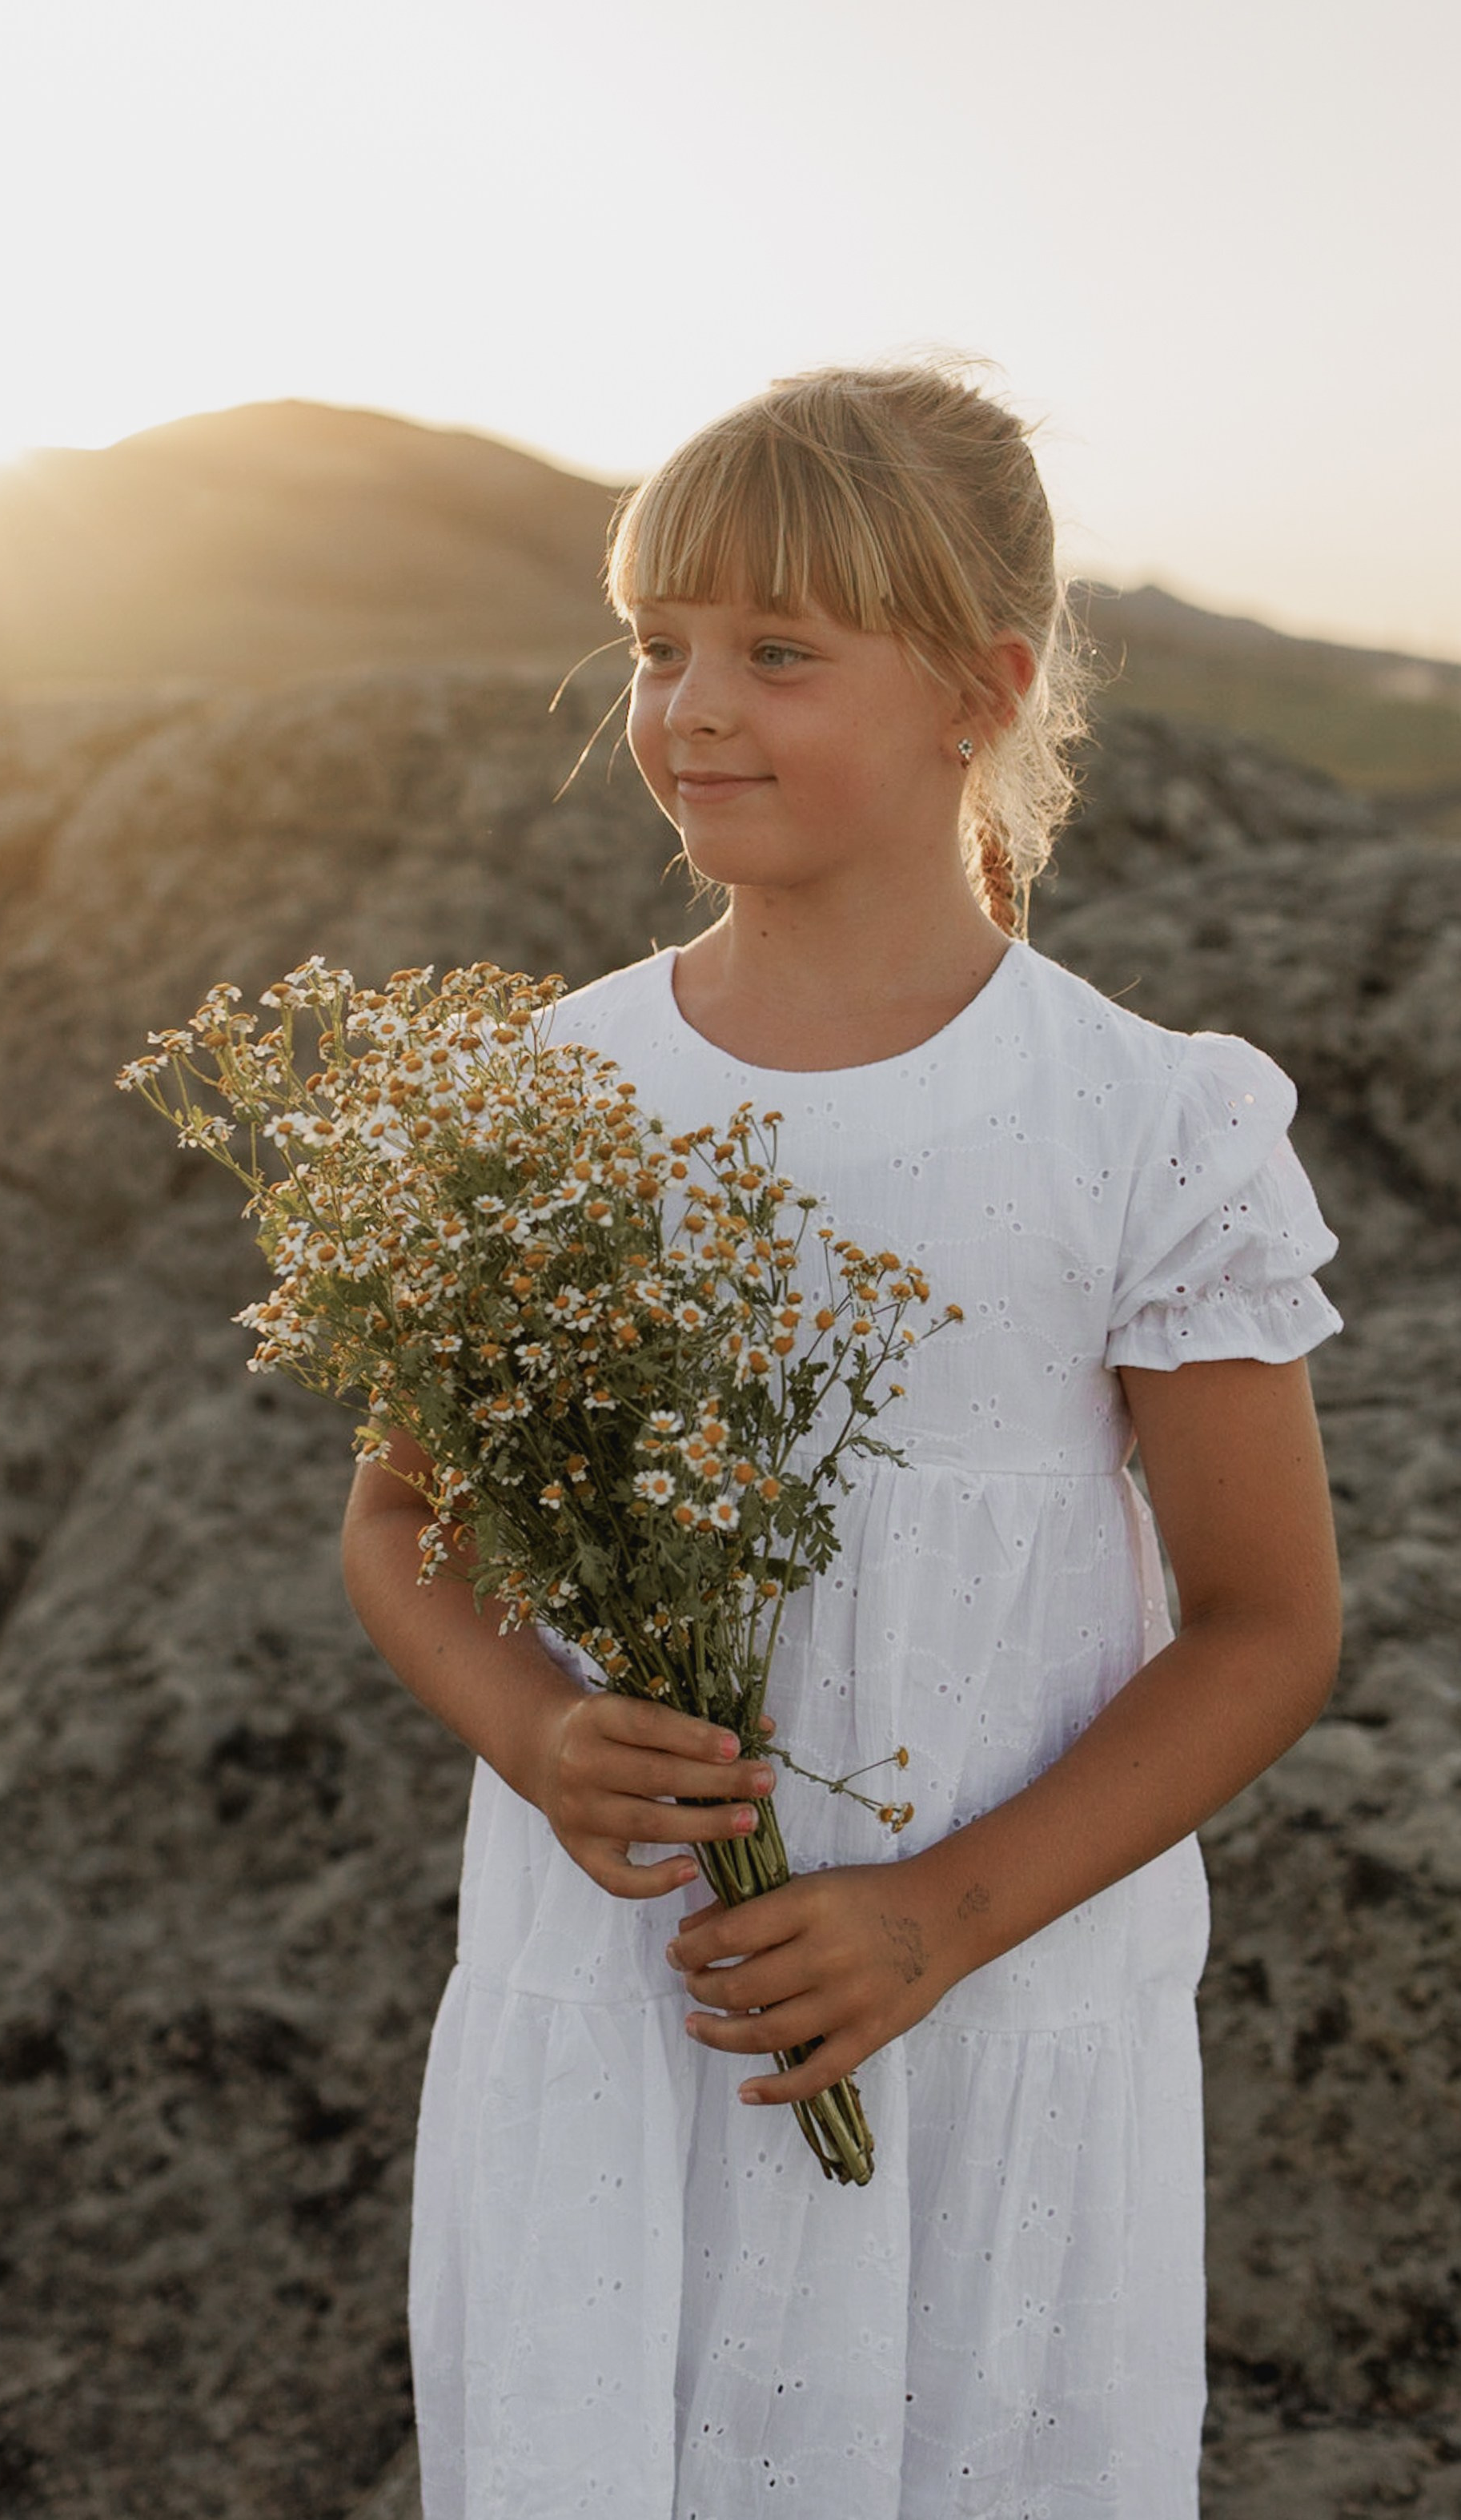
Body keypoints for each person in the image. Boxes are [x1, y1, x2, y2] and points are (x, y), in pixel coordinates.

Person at [340, 365, 1343, 2520]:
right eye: (656, 643)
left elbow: (1266, 1626)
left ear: (979, 689)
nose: (692, 704)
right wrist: (535, 1727)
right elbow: (400, 1523)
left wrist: (937, 1916)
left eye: (778, 650)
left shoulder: (1143, 1124)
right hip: (628, 2014)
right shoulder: (554, 1088)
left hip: (987, 2012)